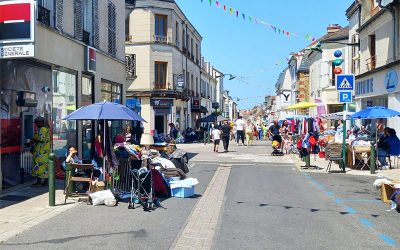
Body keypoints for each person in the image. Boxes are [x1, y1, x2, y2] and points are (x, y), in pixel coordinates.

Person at [30, 117, 51, 187]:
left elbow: (41, 139)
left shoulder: (43, 129)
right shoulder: (46, 128)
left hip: (41, 151)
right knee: (45, 166)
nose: (36, 124)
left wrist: (31, 142)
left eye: (36, 123)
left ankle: (39, 182)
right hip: (45, 151)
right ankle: (45, 181)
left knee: (39, 166)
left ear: (40, 122)